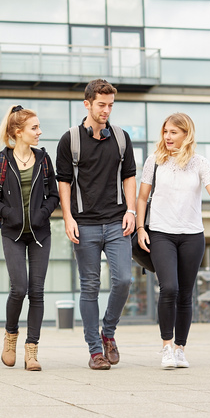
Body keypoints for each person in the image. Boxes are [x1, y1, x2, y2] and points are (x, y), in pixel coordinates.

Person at [135, 113, 210, 369]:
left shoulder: (200, 163)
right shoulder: (154, 161)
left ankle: (180, 349)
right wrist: (140, 227)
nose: (168, 137)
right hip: (161, 233)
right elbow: (142, 198)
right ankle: (166, 347)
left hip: (192, 235)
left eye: (174, 132)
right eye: (165, 131)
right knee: (169, 288)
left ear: (186, 134)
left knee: (185, 294)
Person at [55, 79, 137, 370]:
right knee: (89, 287)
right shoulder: (70, 139)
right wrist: (67, 217)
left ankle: (109, 332)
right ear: (87, 104)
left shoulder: (121, 137)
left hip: (117, 221)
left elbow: (129, 177)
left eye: (111, 105)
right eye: (101, 105)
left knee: (125, 280)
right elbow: (63, 182)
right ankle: (94, 351)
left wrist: (132, 211)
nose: (106, 110)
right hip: (85, 224)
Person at [0, 105, 60, 371]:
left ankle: (32, 350)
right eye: (34, 128)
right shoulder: (2, 161)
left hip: (40, 233)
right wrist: (10, 213)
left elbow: (54, 195)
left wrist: (42, 214)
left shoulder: (44, 159)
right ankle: (10, 337)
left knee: (37, 291)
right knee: (19, 288)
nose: (39, 132)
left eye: (38, 127)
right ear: (18, 132)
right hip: (13, 233)